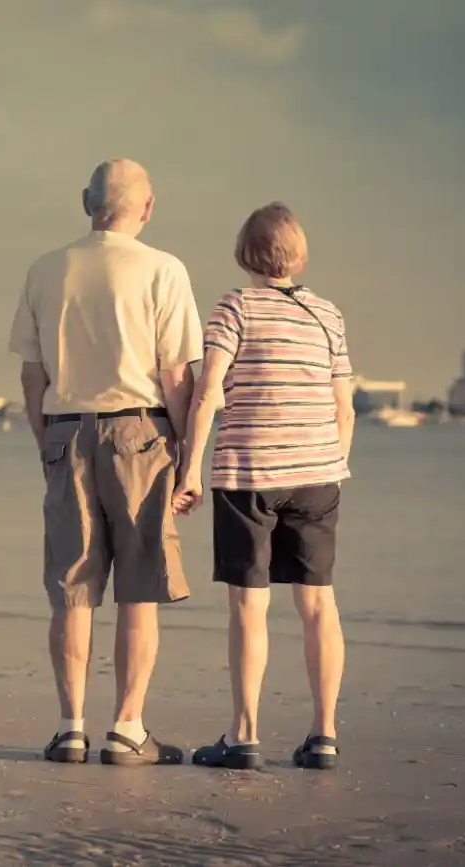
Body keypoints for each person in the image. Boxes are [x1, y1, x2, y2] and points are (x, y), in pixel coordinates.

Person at [8, 158, 202, 766]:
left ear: (85, 202)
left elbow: (32, 374)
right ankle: (127, 730)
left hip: (67, 430)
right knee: (138, 590)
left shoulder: (46, 268)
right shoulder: (163, 269)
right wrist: (188, 453)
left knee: (72, 588)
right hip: (141, 431)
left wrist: (47, 442)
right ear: (146, 208)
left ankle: (70, 728)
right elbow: (176, 377)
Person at [173, 202, 356, 771]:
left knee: (249, 608)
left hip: (248, 475)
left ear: (244, 254)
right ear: (299, 255)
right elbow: (343, 404)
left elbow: (207, 393)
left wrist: (188, 468)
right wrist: (332, 463)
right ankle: (323, 734)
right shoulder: (328, 314)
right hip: (318, 476)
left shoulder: (235, 306)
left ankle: (244, 734)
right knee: (318, 604)